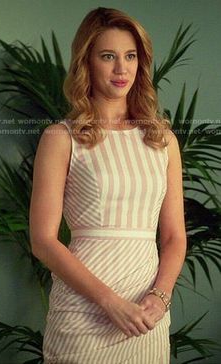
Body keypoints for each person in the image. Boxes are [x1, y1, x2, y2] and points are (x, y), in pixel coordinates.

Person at [29, 6, 187, 364]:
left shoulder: (162, 140)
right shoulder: (61, 138)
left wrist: (159, 298)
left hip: (147, 318)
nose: (122, 68)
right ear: (87, 62)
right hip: (84, 315)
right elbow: (43, 241)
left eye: (130, 56)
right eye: (108, 56)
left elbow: (175, 237)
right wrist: (110, 302)